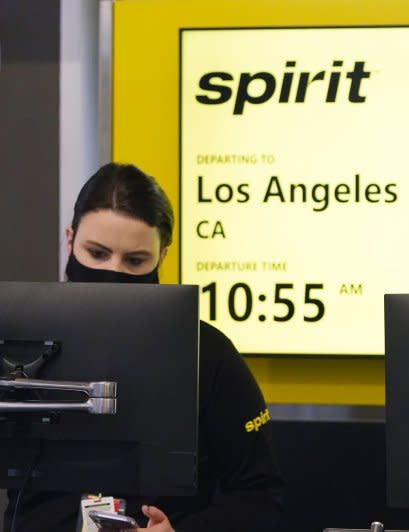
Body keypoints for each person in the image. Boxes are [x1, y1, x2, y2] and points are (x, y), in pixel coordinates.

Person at [3, 163, 284, 532]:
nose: (113, 271)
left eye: (135, 260)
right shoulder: (17, 341)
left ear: (162, 256)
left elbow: (262, 498)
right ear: (70, 240)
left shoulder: (207, 354)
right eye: (97, 253)